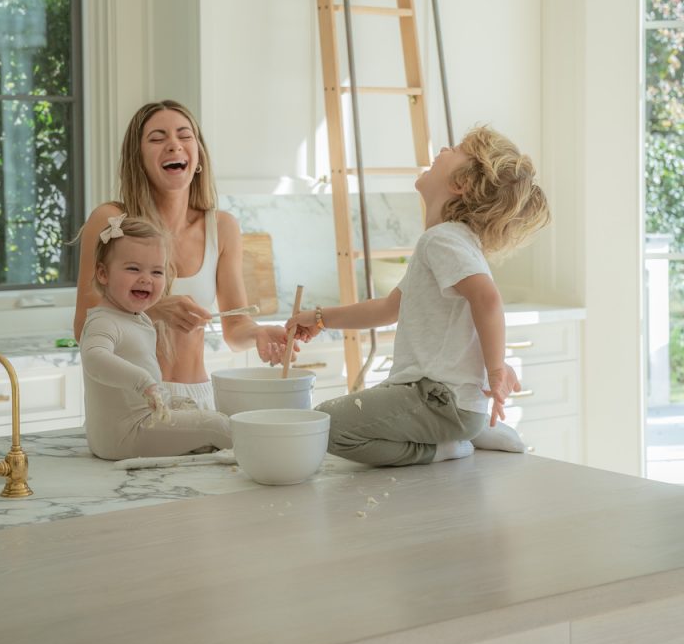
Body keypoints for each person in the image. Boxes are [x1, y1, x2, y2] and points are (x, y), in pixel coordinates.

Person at [287, 126, 550, 468]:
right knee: (343, 418)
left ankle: (443, 447)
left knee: (327, 427)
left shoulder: (442, 240)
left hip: (439, 402)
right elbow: (388, 308)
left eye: (456, 148)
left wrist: (496, 368)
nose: (443, 148)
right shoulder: (450, 242)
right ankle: (469, 431)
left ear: (461, 184)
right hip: (446, 402)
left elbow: (488, 299)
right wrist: (320, 318)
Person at [74, 100, 294, 412]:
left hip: (199, 398)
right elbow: (84, 325)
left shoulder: (222, 227)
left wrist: (258, 334)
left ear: (198, 154)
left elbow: (235, 328)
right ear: (138, 159)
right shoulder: (111, 221)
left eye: (184, 135)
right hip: (131, 402)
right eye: (157, 138)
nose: (174, 145)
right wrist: (156, 308)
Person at [80, 213, 232, 460]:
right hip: (126, 434)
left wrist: (161, 393)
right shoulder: (103, 320)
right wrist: (143, 382)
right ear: (103, 273)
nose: (146, 279)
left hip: (128, 430)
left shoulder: (135, 317)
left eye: (157, 272)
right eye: (133, 268)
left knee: (191, 412)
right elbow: (93, 358)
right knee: (216, 424)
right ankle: (267, 454)